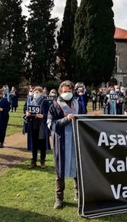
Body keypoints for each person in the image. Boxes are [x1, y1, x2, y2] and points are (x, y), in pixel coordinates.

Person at [47, 80, 86, 209]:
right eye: (65, 91)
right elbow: (50, 124)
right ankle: (59, 198)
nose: (67, 93)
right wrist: (65, 119)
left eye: (69, 91)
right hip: (61, 141)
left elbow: (85, 120)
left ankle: (78, 194)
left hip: (76, 141)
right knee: (60, 169)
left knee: (77, 168)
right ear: (60, 92)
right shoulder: (54, 106)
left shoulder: (78, 105)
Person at [23, 86, 51, 169]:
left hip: (41, 125)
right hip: (33, 125)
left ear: (41, 93)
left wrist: (43, 116)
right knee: (34, 144)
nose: (36, 93)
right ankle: (33, 160)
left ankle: (42, 161)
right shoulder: (31, 102)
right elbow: (26, 111)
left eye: (38, 92)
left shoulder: (45, 102)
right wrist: (27, 114)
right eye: (35, 91)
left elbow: (49, 114)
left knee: (42, 144)